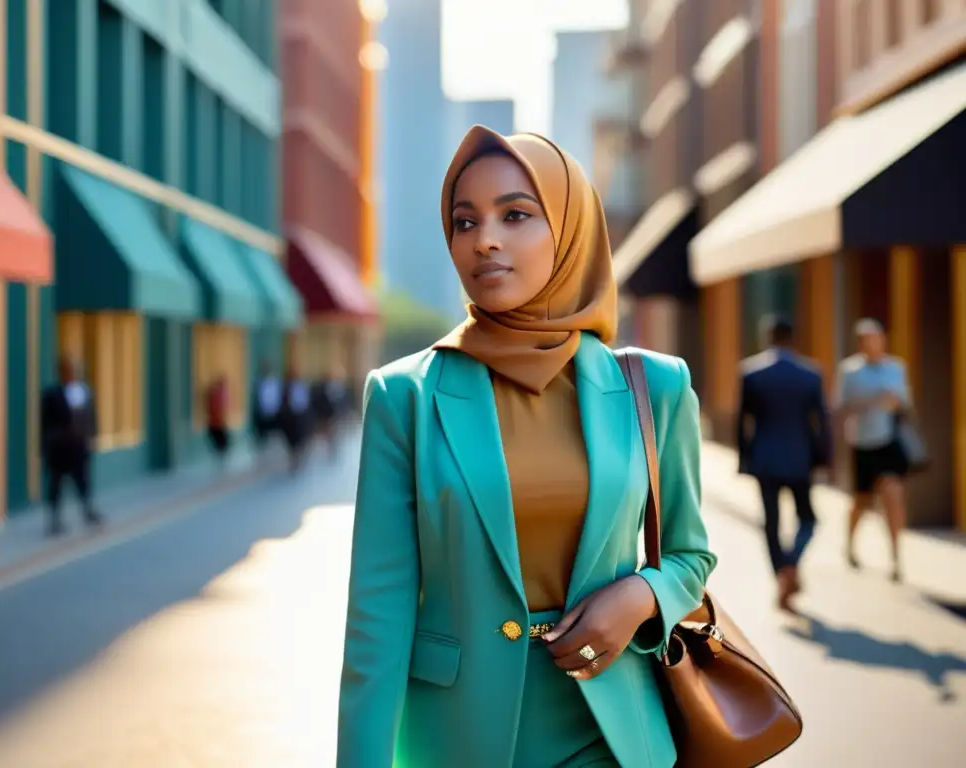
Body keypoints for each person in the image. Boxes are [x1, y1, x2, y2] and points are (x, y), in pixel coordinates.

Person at [337, 125, 716, 768]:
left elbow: (690, 554)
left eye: (515, 215)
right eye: (464, 221)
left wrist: (641, 597)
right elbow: (376, 622)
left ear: (568, 231)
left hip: (614, 734)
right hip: (457, 740)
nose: (484, 238)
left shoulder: (656, 387)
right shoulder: (405, 398)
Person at [737, 316, 831, 612]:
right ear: (792, 338)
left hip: (764, 458)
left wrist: (745, 459)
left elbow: (743, 421)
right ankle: (791, 564)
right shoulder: (811, 374)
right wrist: (823, 459)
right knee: (808, 519)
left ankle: (782, 572)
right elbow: (822, 423)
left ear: (768, 337)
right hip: (800, 458)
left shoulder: (752, 373)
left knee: (772, 522)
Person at [834, 318, 911, 582]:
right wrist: (870, 401)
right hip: (862, 443)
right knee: (862, 502)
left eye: (878, 338)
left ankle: (896, 557)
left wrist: (893, 401)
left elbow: (905, 403)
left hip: (887, 441)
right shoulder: (850, 371)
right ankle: (850, 544)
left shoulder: (896, 368)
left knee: (893, 494)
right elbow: (840, 406)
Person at [40, 355, 103, 536]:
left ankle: (88, 510)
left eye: (73, 369)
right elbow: (45, 424)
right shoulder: (51, 395)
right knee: (56, 484)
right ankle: (54, 519)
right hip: (60, 449)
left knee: (83, 480)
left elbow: (91, 417)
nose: (71, 373)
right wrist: (48, 445)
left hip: (79, 446)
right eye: (67, 370)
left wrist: (92, 438)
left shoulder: (84, 392)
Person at [252, 359, 283, 452]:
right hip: (262, 413)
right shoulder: (260, 382)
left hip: (272, 413)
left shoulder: (274, 383)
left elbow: (276, 398)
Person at [205, 374, 231, 462]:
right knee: (220, 442)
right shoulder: (215, 395)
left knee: (223, 443)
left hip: (218, 423)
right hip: (216, 423)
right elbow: (215, 410)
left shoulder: (221, 395)